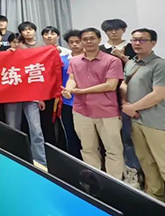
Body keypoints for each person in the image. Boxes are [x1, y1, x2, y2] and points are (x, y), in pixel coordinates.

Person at [120, 29, 165, 213]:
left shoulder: (162, 65)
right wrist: (125, 102)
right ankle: (156, 198)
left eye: (142, 40)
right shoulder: (132, 62)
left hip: (156, 123)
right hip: (136, 121)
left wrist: (132, 107)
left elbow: (158, 94)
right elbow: (125, 84)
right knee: (147, 162)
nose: (137, 43)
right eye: (134, 40)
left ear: (153, 43)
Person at [62, 27, 125, 180]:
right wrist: (68, 89)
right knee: (88, 149)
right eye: (85, 39)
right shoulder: (75, 61)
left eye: (92, 38)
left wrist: (83, 91)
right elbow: (72, 79)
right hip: (81, 111)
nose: (88, 41)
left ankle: (115, 183)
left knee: (113, 150)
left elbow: (111, 85)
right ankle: (94, 182)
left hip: (106, 112)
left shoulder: (112, 60)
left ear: (99, 40)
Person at [100, 18, 141, 187]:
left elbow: (141, 71)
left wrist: (122, 57)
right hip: (105, 100)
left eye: (117, 29)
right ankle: (113, 173)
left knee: (128, 137)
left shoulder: (133, 48)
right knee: (109, 138)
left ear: (123, 30)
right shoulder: (101, 50)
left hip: (130, 98)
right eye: (109, 30)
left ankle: (133, 173)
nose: (113, 32)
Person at [60, 30, 83, 159]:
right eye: (71, 42)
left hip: (87, 102)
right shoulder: (62, 60)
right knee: (70, 133)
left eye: (77, 42)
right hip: (68, 102)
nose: (74, 44)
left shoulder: (90, 59)